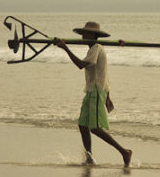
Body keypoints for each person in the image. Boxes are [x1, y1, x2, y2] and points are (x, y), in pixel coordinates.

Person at [53, 21, 132, 167]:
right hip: (90, 91)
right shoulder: (92, 49)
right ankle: (89, 158)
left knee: (94, 128)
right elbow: (103, 73)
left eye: (87, 33)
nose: (83, 35)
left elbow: (81, 65)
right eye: (83, 33)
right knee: (83, 125)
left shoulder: (96, 48)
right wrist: (108, 95)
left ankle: (124, 152)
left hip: (96, 92)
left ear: (94, 35)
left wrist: (65, 48)